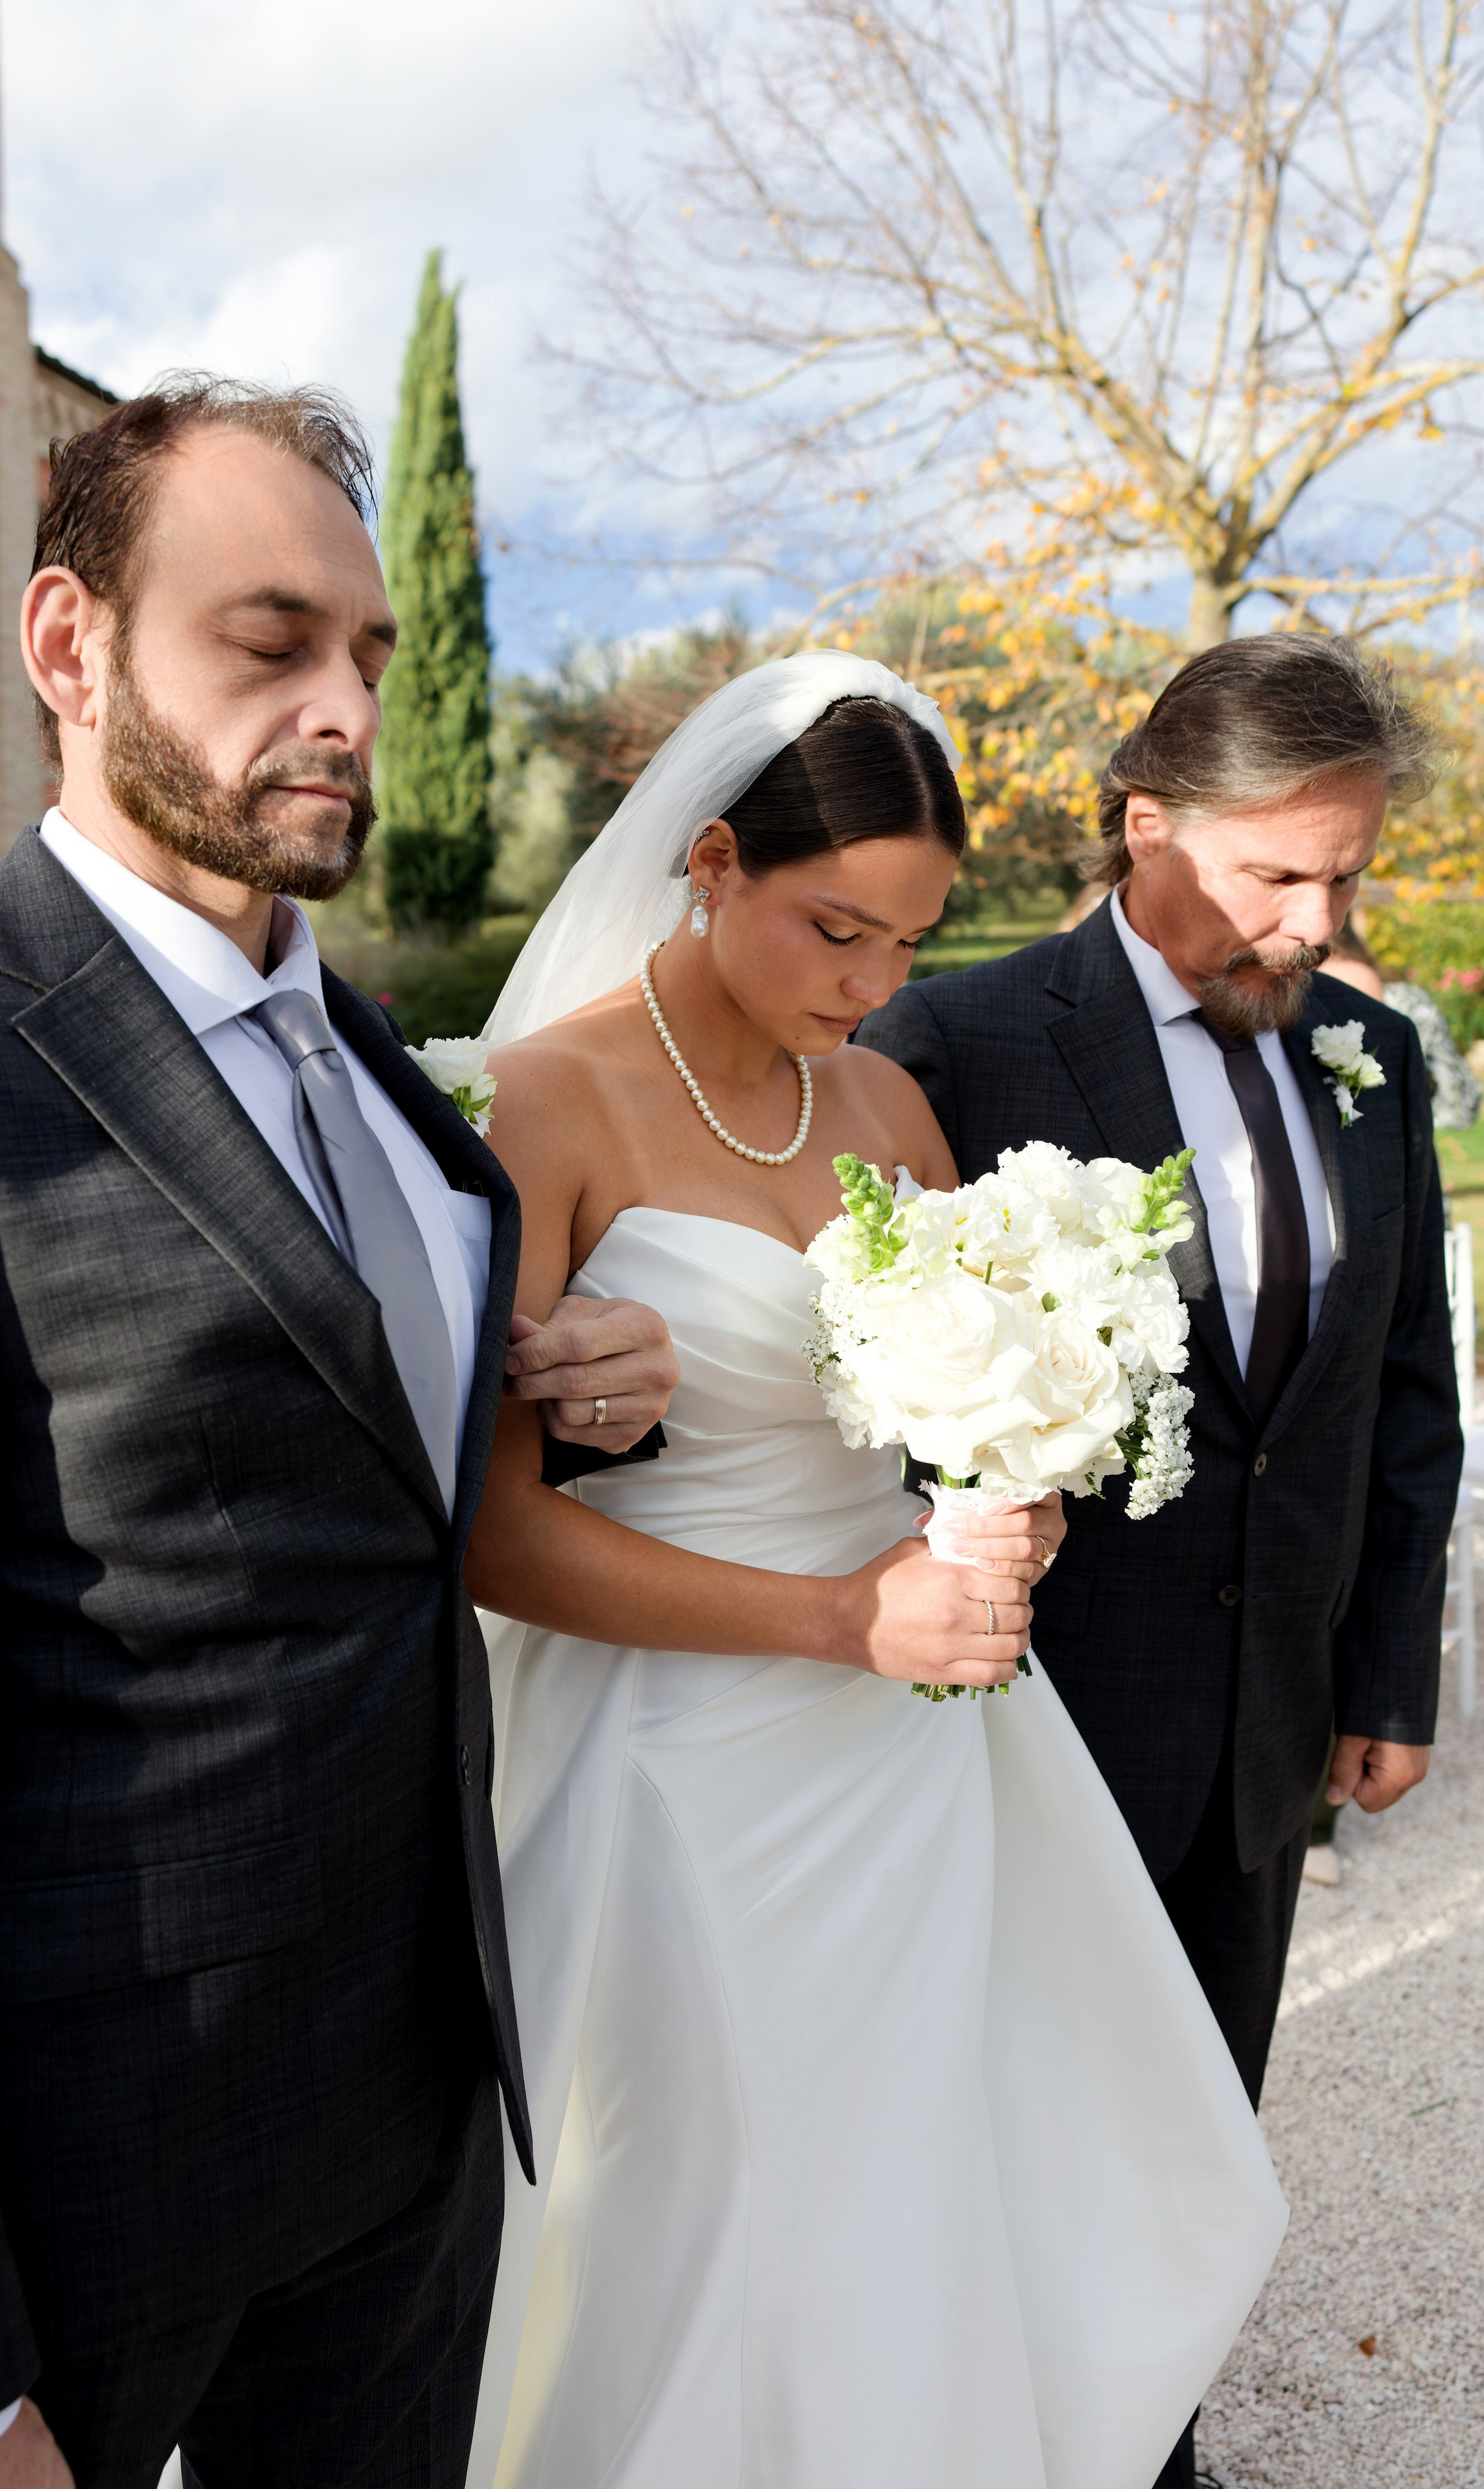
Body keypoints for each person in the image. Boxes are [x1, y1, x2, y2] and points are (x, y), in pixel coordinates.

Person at [0, 380, 680, 2489]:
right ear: (67, 647)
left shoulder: (380, 1065)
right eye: (266, 639)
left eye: (369, 656)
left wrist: (584, 1401)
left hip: (409, 2132)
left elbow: (359, 1484)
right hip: (88, 2214)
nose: (344, 705)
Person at [462, 654, 1286, 2489]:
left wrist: (1014, 1485)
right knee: (701, 2199)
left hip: (914, 1748)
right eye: (836, 928)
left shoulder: (891, 1120)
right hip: (681, 1764)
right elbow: (494, 1536)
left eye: (907, 948)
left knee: (920, 2175)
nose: (868, 988)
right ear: (711, 861)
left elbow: (921, 1430)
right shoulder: (553, 1103)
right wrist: (842, 1617)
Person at [859, 631, 1464, 2489]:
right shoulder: (953, 1040)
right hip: (1029, 1726)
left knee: (1203, 2130)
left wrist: (1384, 1679)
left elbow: (1404, 1398)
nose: (1315, 918)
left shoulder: (1367, 1054)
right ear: (1145, 825)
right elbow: (866, 1386)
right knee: (1010, 2132)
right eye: (1278, 871)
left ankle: (1154, 2447)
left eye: (1346, 874)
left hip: (1272, 1718)